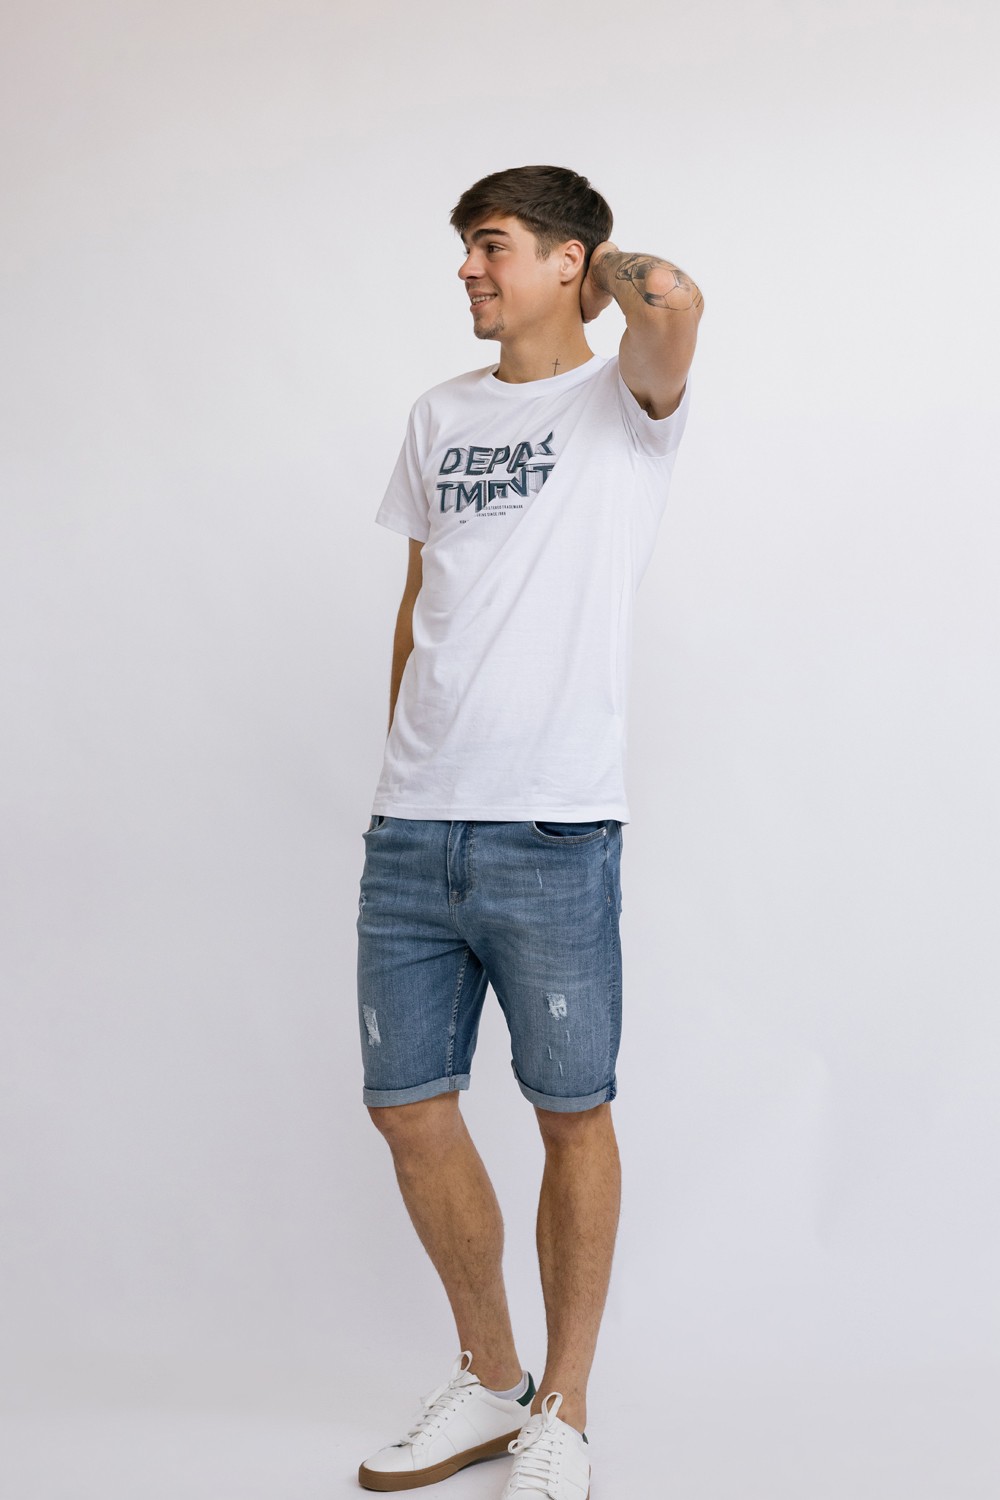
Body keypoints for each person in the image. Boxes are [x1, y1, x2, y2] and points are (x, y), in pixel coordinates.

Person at [355, 164, 703, 1497]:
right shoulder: (438, 414)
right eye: (465, 248)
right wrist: (398, 770)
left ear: (568, 261)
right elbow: (419, 600)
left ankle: (566, 1406)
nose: (466, 270)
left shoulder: (625, 406)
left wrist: (597, 266)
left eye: (491, 246)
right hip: (414, 827)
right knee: (408, 1109)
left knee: (570, 1114)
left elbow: (673, 299)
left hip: (554, 827)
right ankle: (492, 1380)